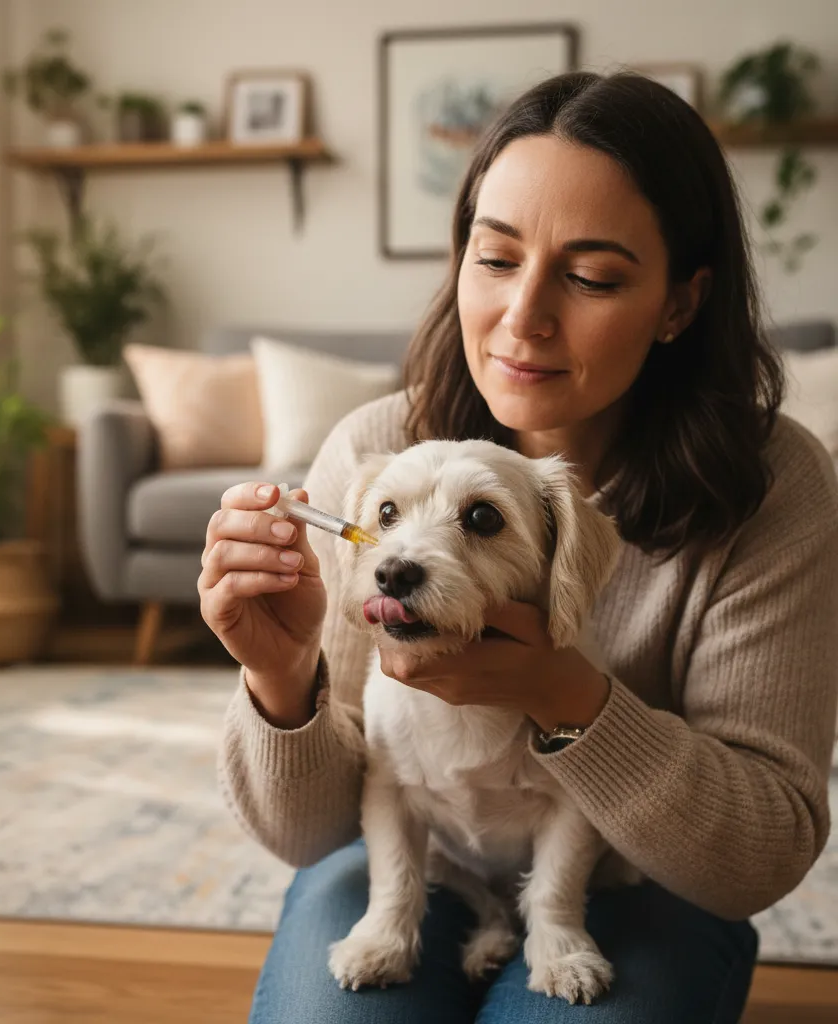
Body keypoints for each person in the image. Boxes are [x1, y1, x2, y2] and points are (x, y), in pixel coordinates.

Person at [199, 71, 838, 1023]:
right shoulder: (374, 455)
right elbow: (313, 834)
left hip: (642, 878)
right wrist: (283, 678)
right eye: (494, 258)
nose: (523, 317)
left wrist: (560, 694)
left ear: (679, 303)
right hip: (422, 866)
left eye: (591, 277)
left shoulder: (770, 486)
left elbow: (757, 856)